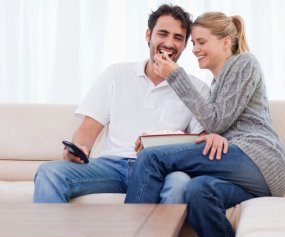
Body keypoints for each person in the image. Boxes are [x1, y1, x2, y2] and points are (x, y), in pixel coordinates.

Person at [124, 11, 285, 237]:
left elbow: (216, 120)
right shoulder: (216, 84)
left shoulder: (244, 63)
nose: (194, 49)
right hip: (249, 170)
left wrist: (175, 76)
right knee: (199, 190)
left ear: (226, 42)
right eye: (193, 43)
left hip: (260, 158)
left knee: (152, 157)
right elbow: (218, 124)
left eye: (201, 42)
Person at [33, 5, 227, 204]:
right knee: (50, 172)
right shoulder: (116, 75)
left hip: (163, 169)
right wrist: (79, 150)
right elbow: (87, 130)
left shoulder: (197, 89)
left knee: (180, 182)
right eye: (163, 34)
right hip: (112, 166)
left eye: (178, 38)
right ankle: (54, 236)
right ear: (148, 35)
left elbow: (198, 141)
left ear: (185, 45)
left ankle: (155, 236)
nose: (169, 43)